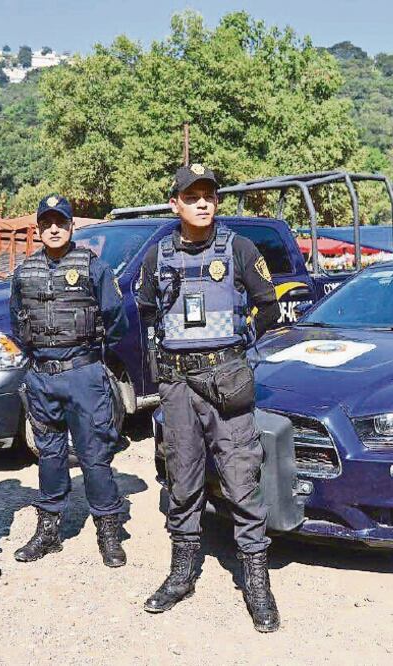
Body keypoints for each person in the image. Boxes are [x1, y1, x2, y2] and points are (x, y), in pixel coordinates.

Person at [136, 164, 282, 632]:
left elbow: (269, 306)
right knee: (182, 481)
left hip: (226, 384)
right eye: (191, 196)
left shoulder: (239, 248)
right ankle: (182, 573)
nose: (202, 203)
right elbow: (141, 311)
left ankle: (256, 582)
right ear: (174, 204)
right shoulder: (156, 256)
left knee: (242, 481)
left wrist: (240, 347)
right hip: (177, 388)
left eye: (209, 195)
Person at [9, 194, 129, 568]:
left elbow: (116, 321)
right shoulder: (24, 271)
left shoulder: (94, 268)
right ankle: (48, 531)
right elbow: (17, 321)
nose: (54, 229)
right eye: (47, 224)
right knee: (49, 454)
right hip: (42, 377)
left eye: (60, 222)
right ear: (39, 229)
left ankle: (108, 531)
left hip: (83, 375)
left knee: (94, 456)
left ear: (71, 225)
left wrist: (90, 361)